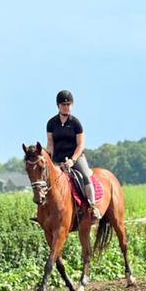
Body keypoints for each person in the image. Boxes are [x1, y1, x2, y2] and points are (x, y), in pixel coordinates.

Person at [45, 90, 101, 221]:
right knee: (45, 179)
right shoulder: (51, 123)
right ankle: (43, 210)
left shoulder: (76, 123)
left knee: (85, 175)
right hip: (57, 159)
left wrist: (72, 160)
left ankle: (92, 207)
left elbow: (80, 145)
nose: (67, 107)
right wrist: (48, 159)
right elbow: (50, 144)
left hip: (76, 158)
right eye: (64, 105)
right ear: (58, 106)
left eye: (69, 104)